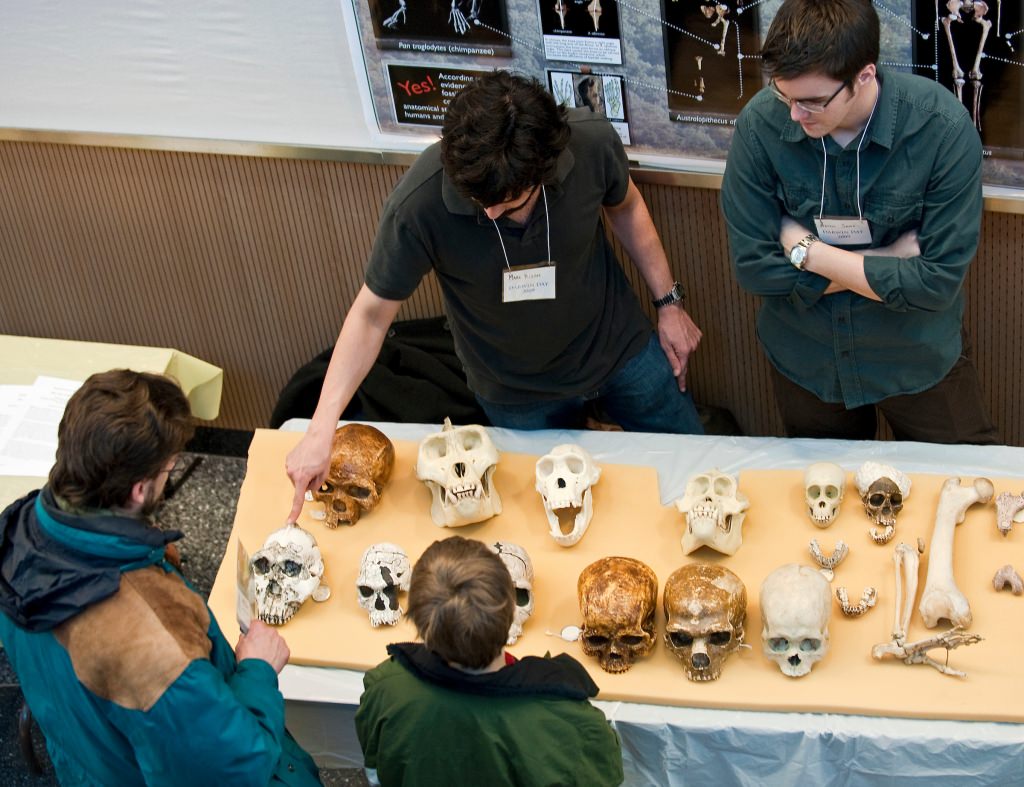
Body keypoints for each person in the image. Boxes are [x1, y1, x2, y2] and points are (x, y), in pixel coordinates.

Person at [286, 70, 703, 521]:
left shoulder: (589, 143)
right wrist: (320, 428)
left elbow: (627, 206)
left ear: (544, 169)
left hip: (619, 348)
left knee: (697, 471)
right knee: (547, 513)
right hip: (515, 389)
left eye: (506, 201)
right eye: (478, 199)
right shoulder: (420, 204)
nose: (489, 212)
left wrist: (670, 305)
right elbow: (370, 316)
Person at [0, 369, 320, 786]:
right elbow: (234, 765)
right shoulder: (152, 648)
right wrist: (257, 670)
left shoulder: (15, 536)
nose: (171, 472)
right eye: (169, 467)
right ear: (138, 490)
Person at [720, 0, 998, 444]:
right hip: (807, 360)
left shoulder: (941, 127)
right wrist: (888, 258)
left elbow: (936, 282)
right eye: (784, 95)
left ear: (864, 76)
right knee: (825, 499)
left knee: (964, 484)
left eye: (811, 101)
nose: (794, 115)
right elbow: (756, 270)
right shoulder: (760, 124)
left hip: (915, 357)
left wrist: (805, 251)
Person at [355, 535, 624, 786]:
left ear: (417, 620)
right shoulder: (570, 723)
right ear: (510, 609)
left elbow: (376, 767)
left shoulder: (385, 687)